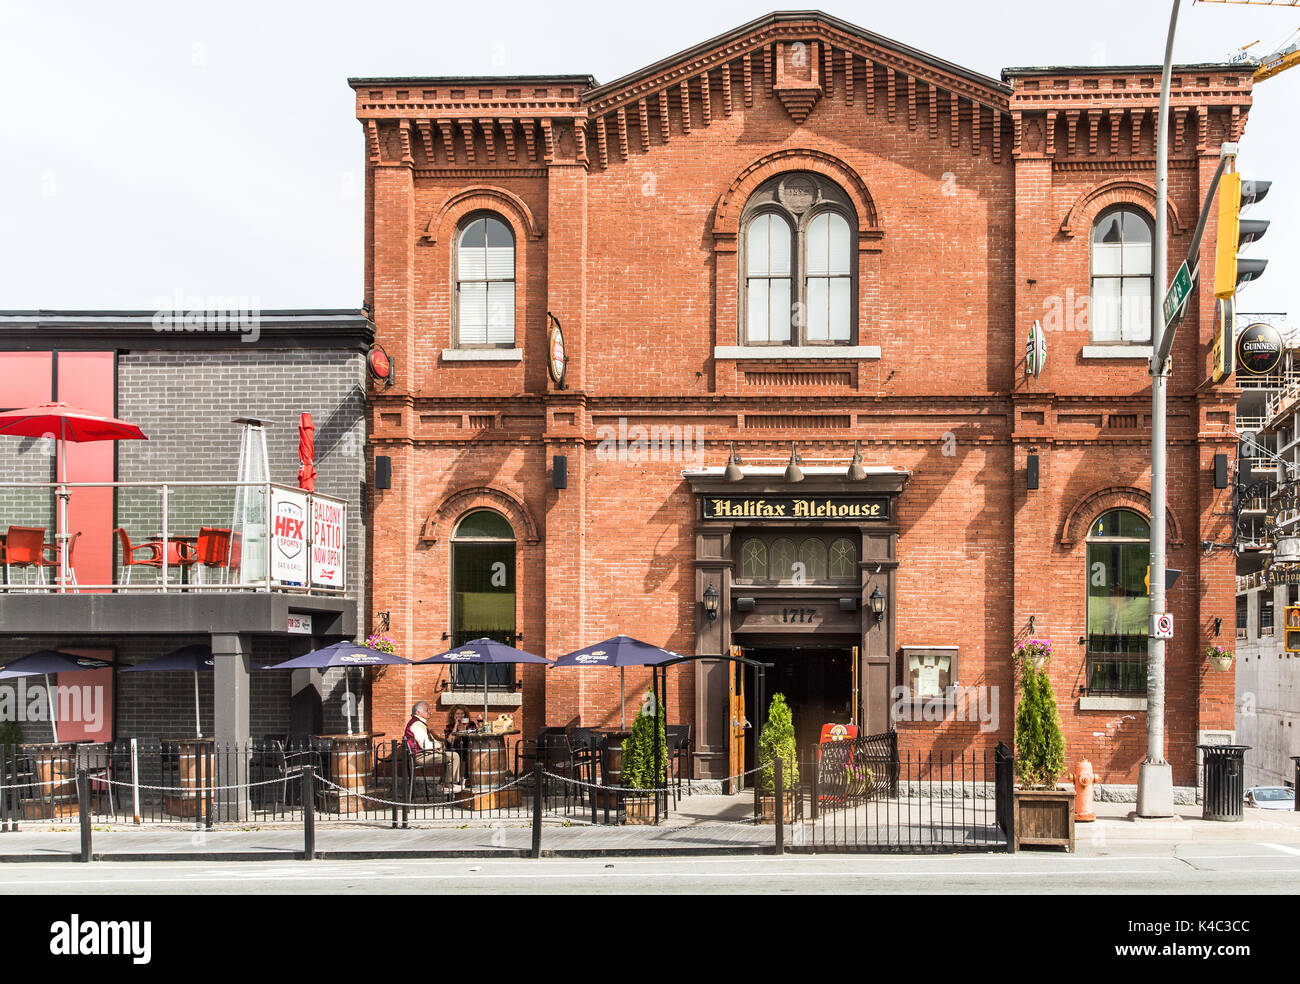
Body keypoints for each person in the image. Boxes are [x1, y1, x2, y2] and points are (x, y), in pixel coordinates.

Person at [404, 701, 463, 793]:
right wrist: (439, 745)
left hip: (424, 753)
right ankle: (448, 784)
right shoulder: (416, 725)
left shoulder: (419, 723)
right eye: (427, 710)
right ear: (418, 713)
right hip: (421, 756)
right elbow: (426, 745)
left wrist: (439, 744)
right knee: (454, 756)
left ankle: (443, 784)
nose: (430, 712)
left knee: (449, 755)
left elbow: (429, 740)